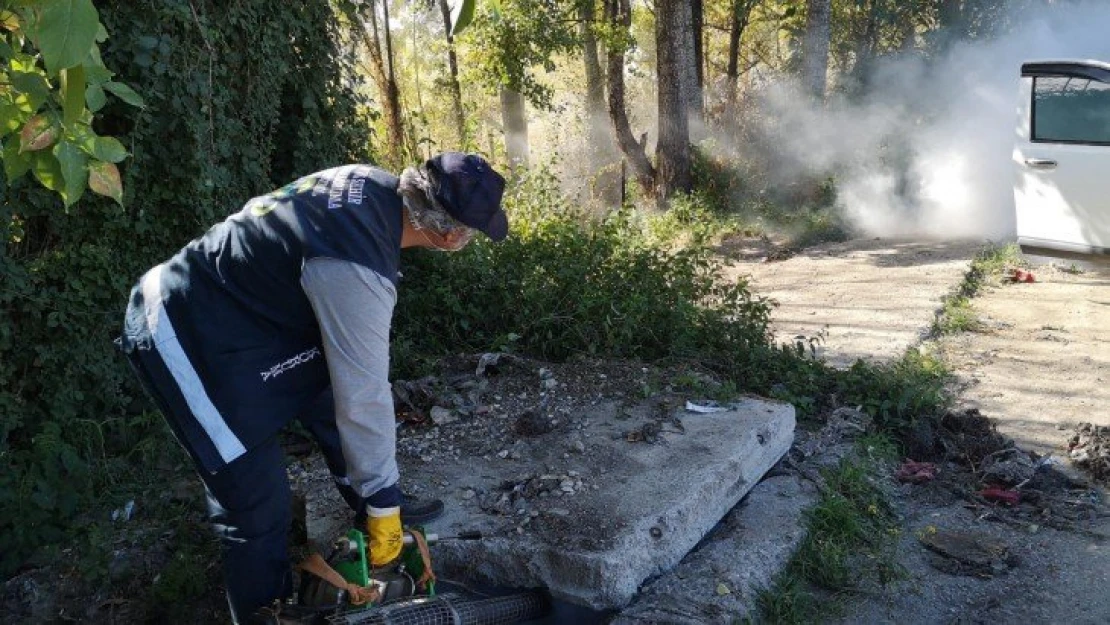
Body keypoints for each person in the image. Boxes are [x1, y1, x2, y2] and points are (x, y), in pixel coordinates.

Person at [118, 153, 508, 623]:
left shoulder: (369, 183)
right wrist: (384, 498)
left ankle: (372, 505)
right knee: (257, 509)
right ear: (450, 235)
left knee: (327, 389)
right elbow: (364, 397)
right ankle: (268, 612)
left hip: (245, 312)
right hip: (182, 329)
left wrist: (379, 499)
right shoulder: (355, 268)